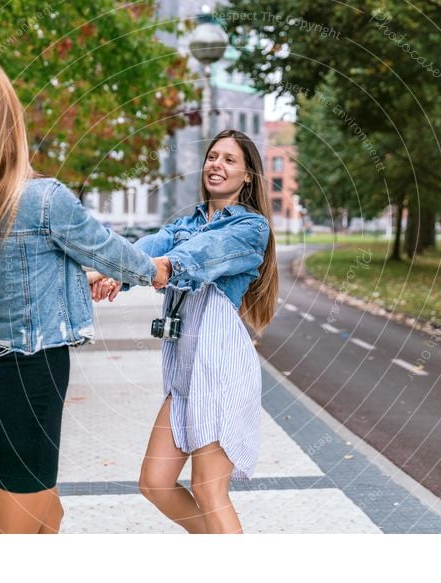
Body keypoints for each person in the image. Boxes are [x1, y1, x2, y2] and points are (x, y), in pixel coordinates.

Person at [0, 57, 170, 534]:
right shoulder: (44, 199)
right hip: (21, 388)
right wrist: (164, 269)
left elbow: (17, 276)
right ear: (6, 122)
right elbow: (115, 254)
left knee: (48, 522)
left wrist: (78, 281)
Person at [91, 129, 279, 533]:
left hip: (220, 365)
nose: (217, 164)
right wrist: (110, 272)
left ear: (248, 175)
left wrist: (160, 269)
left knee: (209, 491)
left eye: (230, 159)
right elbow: (144, 249)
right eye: (213, 157)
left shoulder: (250, 228)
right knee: (155, 483)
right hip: (185, 367)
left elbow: (197, 258)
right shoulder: (186, 223)